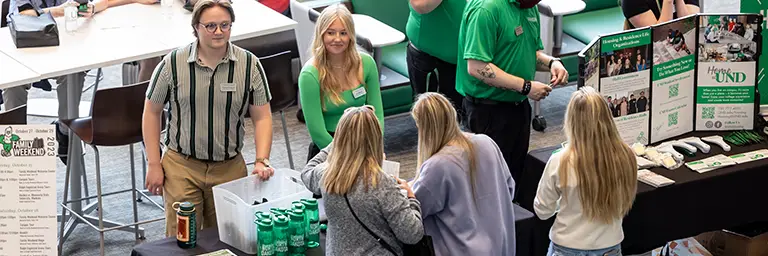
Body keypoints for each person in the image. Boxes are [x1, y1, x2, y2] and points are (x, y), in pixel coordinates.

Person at [142, 0, 275, 237]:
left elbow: (262, 117)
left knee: (228, 237)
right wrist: (154, 163)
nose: (219, 32)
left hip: (229, 168)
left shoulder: (249, 65)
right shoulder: (172, 64)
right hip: (181, 166)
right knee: (181, 240)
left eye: (225, 25)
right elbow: (151, 113)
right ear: (196, 27)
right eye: (211, 26)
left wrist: (261, 159)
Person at [457, 0, 568, 184]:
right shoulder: (486, 10)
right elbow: (476, 66)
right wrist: (525, 86)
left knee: (514, 177)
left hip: (518, 107)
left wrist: (551, 63)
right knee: (489, 183)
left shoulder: (528, 6)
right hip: (488, 112)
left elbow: (526, 51)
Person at [301, 106, 424, 256]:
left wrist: (342, 138)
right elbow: (412, 234)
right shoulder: (381, 183)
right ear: (376, 137)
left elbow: (307, 171)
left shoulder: (326, 174)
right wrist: (411, 199)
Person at [534, 86, 637, 256]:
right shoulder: (627, 155)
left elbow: (542, 211)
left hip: (566, 247)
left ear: (571, 120)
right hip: (610, 247)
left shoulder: (560, 161)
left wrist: (564, 202)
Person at [410, 93, 517, 255]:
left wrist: (408, 191)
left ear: (423, 127)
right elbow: (509, 188)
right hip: (500, 244)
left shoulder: (437, 166)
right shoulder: (486, 142)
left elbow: (415, 213)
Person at [6, 0, 110, 164]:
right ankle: (17, 153)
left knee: (74, 73)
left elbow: (101, 3)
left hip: (64, 45)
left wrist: (91, 8)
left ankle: (65, 130)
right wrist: (59, 11)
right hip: (25, 46)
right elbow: (23, 15)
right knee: (13, 86)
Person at [298, 4, 384, 161]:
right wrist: (349, 159)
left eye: (343, 33)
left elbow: (377, 114)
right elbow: (317, 133)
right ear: (321, 34)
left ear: (351, 35)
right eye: (331, 33)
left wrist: (376, 147)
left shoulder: (367, 64)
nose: (337, 39)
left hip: (364, 143)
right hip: (329, 149)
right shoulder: (310, 75)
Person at [406, 0, 466, 118]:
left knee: (458, 119)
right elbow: (420, 5)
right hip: (431, 57)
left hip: (466, 58)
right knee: (433, 121)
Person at [621, 0, 699, 29]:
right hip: (652, 54)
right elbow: (660, 35)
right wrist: (668, 1)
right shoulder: (631, 2)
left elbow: (690, 25)